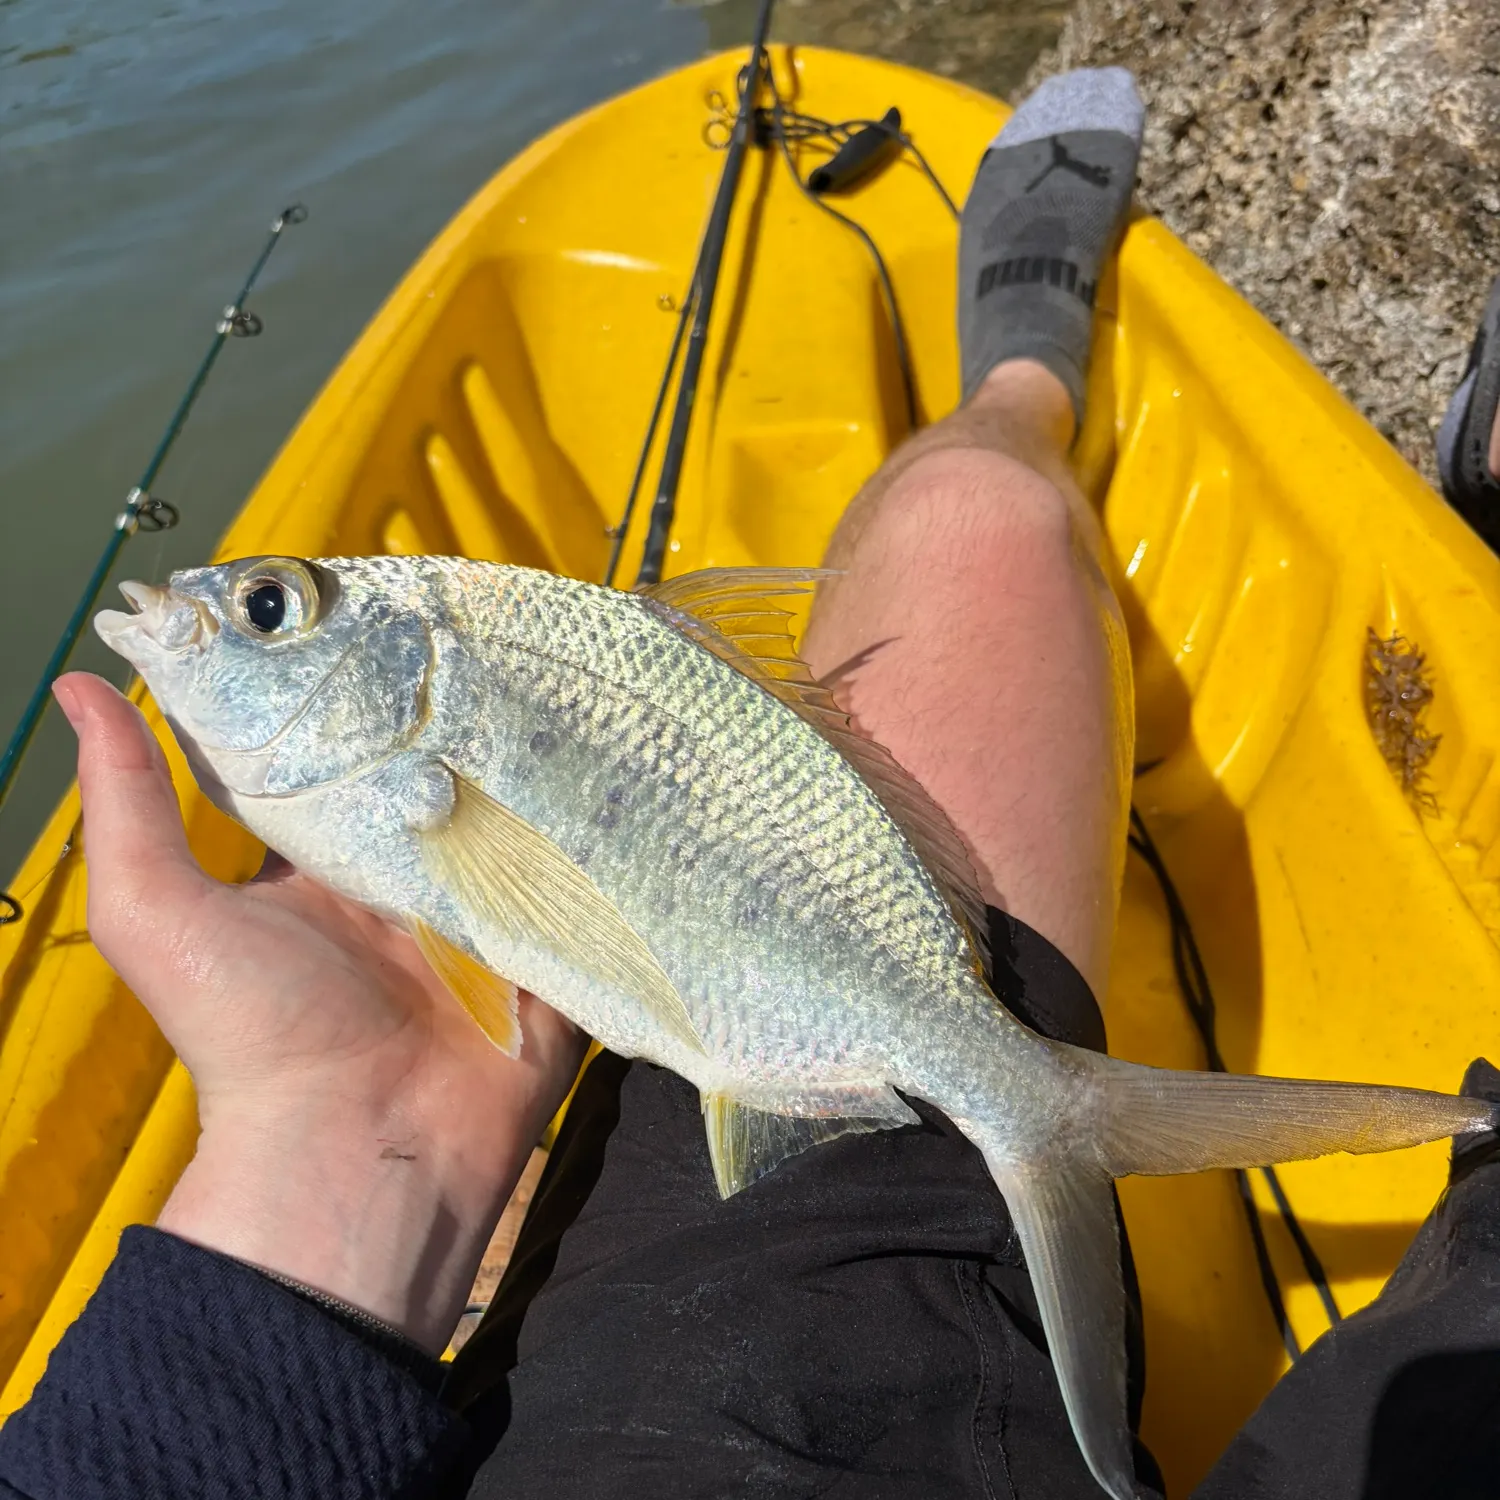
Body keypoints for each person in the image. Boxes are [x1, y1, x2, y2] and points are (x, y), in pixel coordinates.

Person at [1, 66, 1497, 1500]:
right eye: (278, 604)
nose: (216, 611)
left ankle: (1017, 395)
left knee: (954, 543)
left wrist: (325, 1139)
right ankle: (1021, 390)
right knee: (972, 521)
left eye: (271, 608)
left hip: (402, 1384)